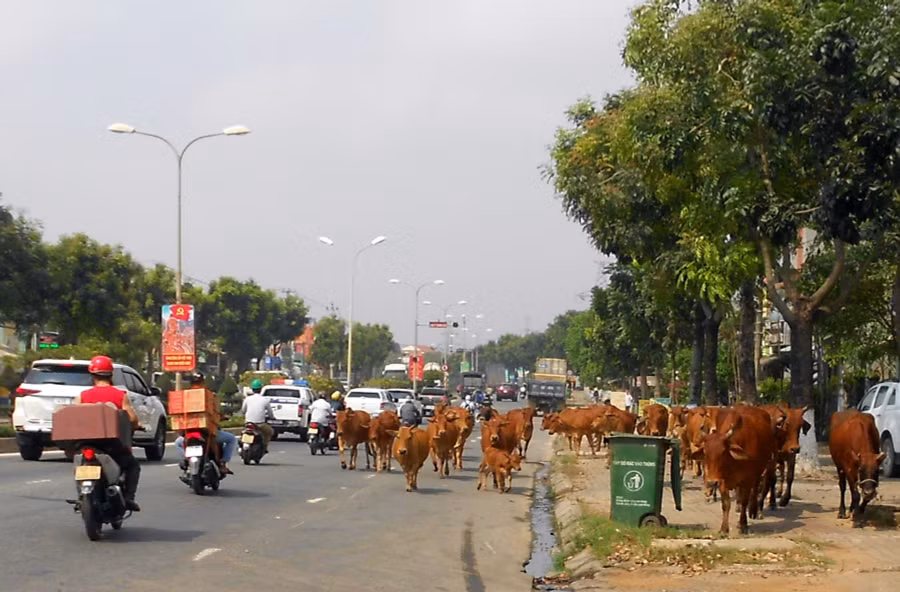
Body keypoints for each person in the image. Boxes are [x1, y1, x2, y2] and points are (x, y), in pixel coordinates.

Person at [73, 355, 142, 512]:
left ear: (92, 375)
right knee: (133, 466)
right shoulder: (120, 395)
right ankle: (129, 498)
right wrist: (137, 425)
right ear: (111, 375)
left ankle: (81, 497)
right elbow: (132, 419)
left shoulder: (82, 396)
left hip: (87, 444)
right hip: (112, 445)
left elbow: (74, 417)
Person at [174, 372, 236, 475]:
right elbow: (216, 412)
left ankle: (185, 460)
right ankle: (223, 463)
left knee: (177, 443)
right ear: (203, 381)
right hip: (208, 431)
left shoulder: (184, 396)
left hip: (188, 431)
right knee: (231, 439)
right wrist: (221, 417)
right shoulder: (210, 395)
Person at [241, 379, 274, 453]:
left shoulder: (247, 399)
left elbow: (243, 410)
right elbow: (270, 413)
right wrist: (272, 417)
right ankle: (265, 446)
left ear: (252, 389)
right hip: (260, 424)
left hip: (248, 423)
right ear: (261, 389)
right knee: (270, 432)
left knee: (243, 432)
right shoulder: (265, 400)